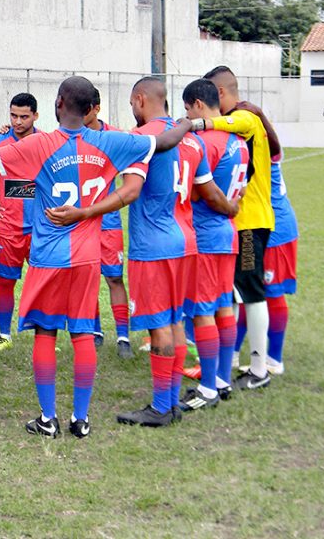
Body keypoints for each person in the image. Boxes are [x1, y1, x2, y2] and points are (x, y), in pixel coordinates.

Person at [0, 76, 193, 438]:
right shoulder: (111, 141)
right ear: (92, 110)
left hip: (49, 258)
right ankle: (81, 419)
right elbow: (168, 140)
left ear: (58, 104)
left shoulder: (40, 144)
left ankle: (47, 419)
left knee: (45, 334)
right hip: (88, 257)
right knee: (82, 334)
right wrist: (188, 122)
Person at [52, 78, 237, 428]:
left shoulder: (142, 140)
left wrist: (84, 213)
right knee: (176, 320)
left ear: (139, 99)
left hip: (153, 246)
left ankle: (161, 406)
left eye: (132, 104)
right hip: (187, 241)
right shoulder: (192, 139)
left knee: (159, 328)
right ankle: (171, 401)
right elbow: (205, 191)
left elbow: (131, 191)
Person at [189, 66, 281, 391]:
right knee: (232, 296)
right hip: (238, 225)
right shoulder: (235, 135)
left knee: (251, 294)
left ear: (221, 95)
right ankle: (226, 365)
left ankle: (259, 368)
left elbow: (237, 121)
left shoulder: (245, 119)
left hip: (248, 225)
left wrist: (195, 123)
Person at [179, 79, 249, 409]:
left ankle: (208, 387)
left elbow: (196, 190)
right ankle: (221, 378)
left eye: (187, 108)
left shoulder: (205, 141)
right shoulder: (239, 141)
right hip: (228, 233)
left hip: (206, 234)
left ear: (196, 105)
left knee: (203, 311)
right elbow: (241, 188)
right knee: (224, 307)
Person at [0, 93, 40, 354]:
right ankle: (4, 335)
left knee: (42, 281)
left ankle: (43, 334)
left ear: (36, 116)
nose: (18, 121)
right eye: (13, 115)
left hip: (40, 227)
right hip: (8, 227)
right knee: (5, 282)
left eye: (24, 116)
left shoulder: (45, 141)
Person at [237, 150, 298, 375]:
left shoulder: (257, 144)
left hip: (274, 230)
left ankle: (274, 359)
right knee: (246, 291)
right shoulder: (254, 141)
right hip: (257, 226)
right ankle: (233, 352)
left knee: (270, 293)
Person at [83, 88, 133, 358]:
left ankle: (123, 336)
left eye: (85, 109)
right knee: (88, 278)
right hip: (81, 223)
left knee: (114, 277)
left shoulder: (115, 137)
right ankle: (96, 331)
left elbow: (130, 178)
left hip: (109, 222)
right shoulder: (74, 136)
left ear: (96, 109)